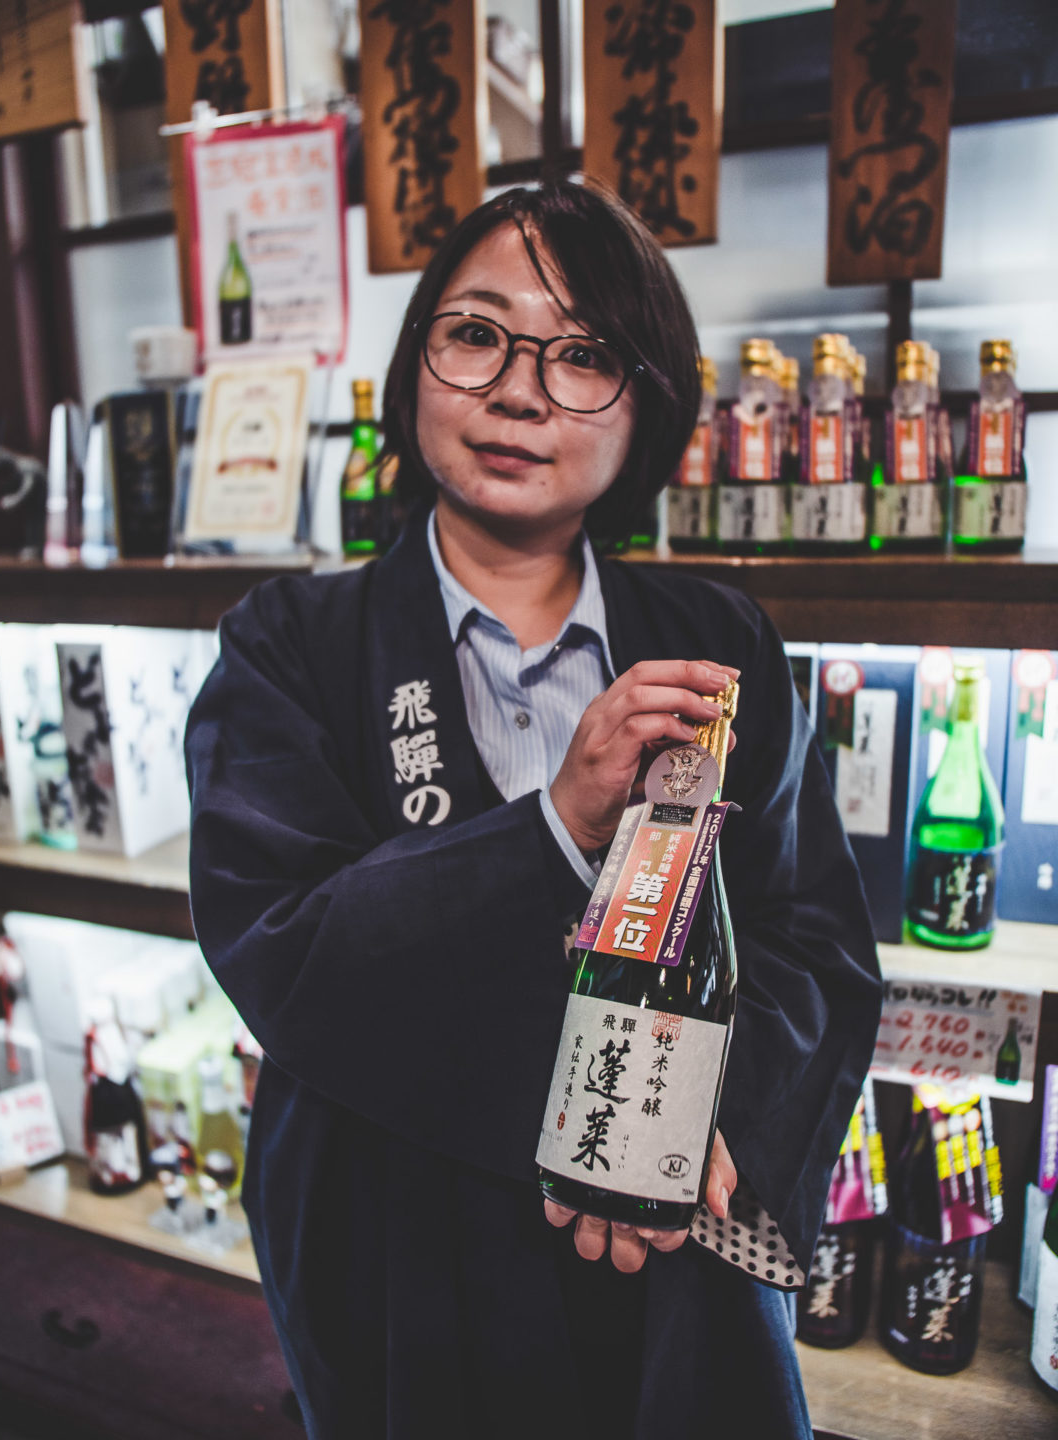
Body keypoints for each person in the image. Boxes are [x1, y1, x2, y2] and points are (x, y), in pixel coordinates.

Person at [185, 180, 882, 1440]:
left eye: (584, 356)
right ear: (416, 364)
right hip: (403, 1248)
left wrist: (679, 1121)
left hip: (671, 1239)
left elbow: (813, 944)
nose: (518, 391)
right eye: (476, 334)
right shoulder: (287, 641)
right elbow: (281, 949)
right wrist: (555, 823)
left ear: (650, 406)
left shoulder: (717, 641)